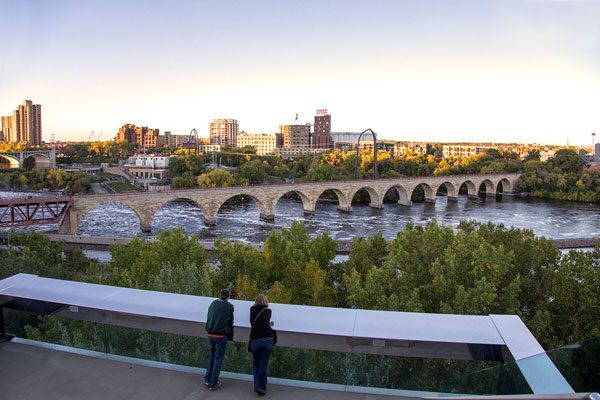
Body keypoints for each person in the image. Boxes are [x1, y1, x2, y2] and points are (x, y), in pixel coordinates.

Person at [204, 288, 234, 391]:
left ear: (220, 295)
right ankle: (214, 383)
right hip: (221, 336)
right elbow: (230, 322)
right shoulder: (229, 306)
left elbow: (209, 316)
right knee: (218, 359)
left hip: (210, 334)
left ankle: (207, 379)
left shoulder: (213, 303)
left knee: (211, 357)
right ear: (228, 296)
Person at [249, 294, 276, 396]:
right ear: (266, 301)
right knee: (263, 365)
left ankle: (256, 386)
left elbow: (252, 323)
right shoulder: (268, 311)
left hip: (255, 340)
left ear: (256, 300)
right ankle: (263, 388)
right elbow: (266, 324)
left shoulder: (252, 309)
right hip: (267, 340)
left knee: (256, 364)